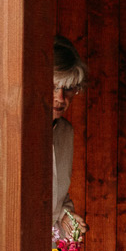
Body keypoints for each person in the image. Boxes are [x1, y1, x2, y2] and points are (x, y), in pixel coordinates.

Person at [53, 36, 88, 222]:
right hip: (1, 244)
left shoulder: (66, 133)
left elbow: (56, 197)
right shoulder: (11, 131)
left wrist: (66, 216)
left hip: (50, 244)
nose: (60, 97)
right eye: (53, 87)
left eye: (67, 88)